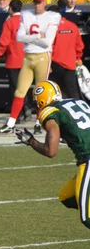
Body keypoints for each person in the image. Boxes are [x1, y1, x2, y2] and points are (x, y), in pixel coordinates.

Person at [16, 81, 90, 231]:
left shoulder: (49, 111)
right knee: (66, 196)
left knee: (86, 217)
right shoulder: (77, 101)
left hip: (88, 159)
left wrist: (31, 141)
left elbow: (51, 151)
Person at [0, 0, 61, 135]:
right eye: (35, 2)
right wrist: (37, 36)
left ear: (44, 2)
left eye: (39, 2)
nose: (36, 5)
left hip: (43, 57)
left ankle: (39, 122)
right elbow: (19, 36)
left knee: (41, 93)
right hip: (28, 56)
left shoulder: (50, 17)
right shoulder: (26, 15)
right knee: (19, 91)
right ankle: (11, 123)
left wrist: (30, 38)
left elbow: (48, 41)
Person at [0, 0, 30, 132]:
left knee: (15, 89)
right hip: (28, 58)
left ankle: (18, 114)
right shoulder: (27, 21)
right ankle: (26, 108)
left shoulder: (9, 23)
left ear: (10, 9)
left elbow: (4, 42)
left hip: (14, 60)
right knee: (25, 85)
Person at [49, 4, 83, 99]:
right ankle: (77, 111)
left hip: (55, 64)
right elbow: (79, 45)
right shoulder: (73, 26)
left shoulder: (52, 27)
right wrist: (77, 58)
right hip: (70, 64)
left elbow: (49, 46)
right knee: (72, 90)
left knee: (54, 91)